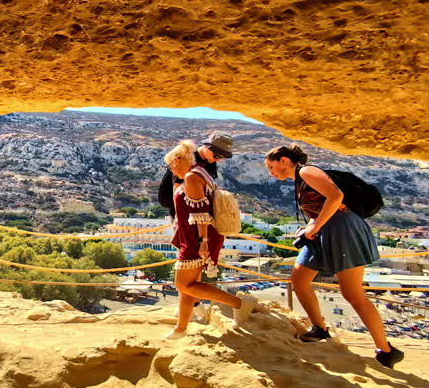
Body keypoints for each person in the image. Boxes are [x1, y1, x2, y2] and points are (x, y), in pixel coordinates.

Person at [264, 145, 404, 368]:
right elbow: (320, 207)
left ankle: (386, 350)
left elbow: (336, 196)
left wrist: (315, 226)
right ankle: (319, 328)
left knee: (353, 294)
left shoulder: (305, 172)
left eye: (271, 167)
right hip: (323, 232)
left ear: (283, 160)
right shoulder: (299, 181)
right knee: (299, 280)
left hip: (342, 229)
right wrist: (308, 227)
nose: (271, 173)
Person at [164, 140, 255, 339]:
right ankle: (181, 328)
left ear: (179, 159)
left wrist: (203, 242)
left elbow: (201, 213)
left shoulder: (192, 177)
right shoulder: (200, 172)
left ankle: (240, 304)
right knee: (188, 286)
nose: (171, 168)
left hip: (198, 238)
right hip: (195, 236)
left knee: (183, 284)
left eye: (172, 163)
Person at [157, 132, 233, 211]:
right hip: (175, 202)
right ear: (207, 147)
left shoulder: (211, 161)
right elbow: (176, 185)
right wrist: (178, 212)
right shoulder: (188, 156)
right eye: (217, 156)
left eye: (221, 158)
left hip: (194, 202)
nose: (218, 160)